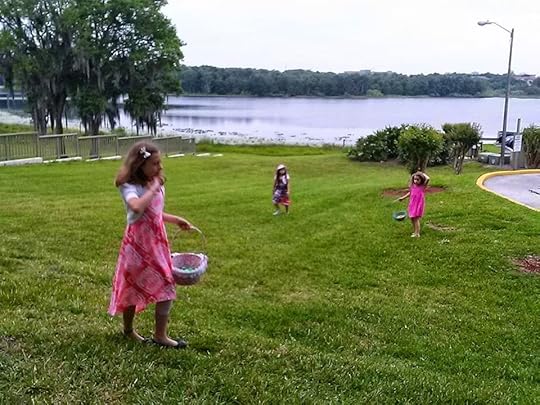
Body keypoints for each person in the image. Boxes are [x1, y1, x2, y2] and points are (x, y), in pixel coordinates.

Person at [109, 141, 193, 348]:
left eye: (160, 163)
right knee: (132, 286)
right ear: (140, 164)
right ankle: (128, 331)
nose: (160, 167)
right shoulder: (129, 186)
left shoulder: (155, 184)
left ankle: (160, 335)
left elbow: (155, 213)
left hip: (156, 243)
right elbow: (137, 207)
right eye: (154, 163)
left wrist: (175, 219)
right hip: (137, 245)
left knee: (166, 282)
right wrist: (153, 188)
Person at [396, 170, 430, 237]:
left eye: (418, 179)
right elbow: (410, 193)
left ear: (421, 180)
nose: (415, 181)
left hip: (418, 204)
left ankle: (417, 233)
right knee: (412, 218)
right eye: (415, 179)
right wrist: (403, 198)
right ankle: (415, 231)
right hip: (412, 204)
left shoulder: (422, 187)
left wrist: (422, 173)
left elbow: (428, 178)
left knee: (416, 219)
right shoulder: (413, 186)